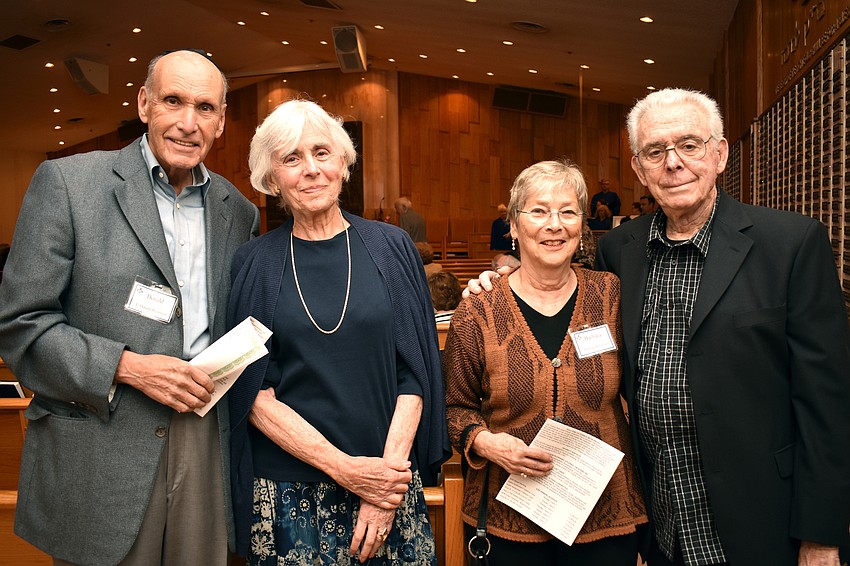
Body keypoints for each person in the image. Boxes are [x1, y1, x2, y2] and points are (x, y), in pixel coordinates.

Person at [467, 88, 850, 566]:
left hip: (761, 517)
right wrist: (496, 281)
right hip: (663, 521)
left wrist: (821, 535)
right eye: (655, 151)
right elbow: (550, 276)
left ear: (720, 153)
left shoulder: (790, 244)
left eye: (689, 145)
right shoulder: (620, 252)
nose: (673, 163)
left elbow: (827, 405)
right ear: (638, 167)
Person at [0, 49, 260, 565]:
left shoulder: (240, 212)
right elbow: (20, 323)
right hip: (103, 434)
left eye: (205, 108)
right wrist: (127, 367)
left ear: (222, 121)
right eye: (173, 101)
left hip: (206, 437)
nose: (188, 123)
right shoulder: (69, 185)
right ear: (144, 103)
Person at [227, 99, 452, 565]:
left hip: (387, 482)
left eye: (321, 153)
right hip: (290, 493)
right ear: (272, 180)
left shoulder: (391, 247)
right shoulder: (254, 264)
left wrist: (383, 483)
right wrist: (347, 471)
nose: (310, 169)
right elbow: (251, 393)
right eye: (291, 159)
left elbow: (416, 372)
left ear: (344, 163)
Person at [443, 159, 647, 566]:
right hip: (506, 523)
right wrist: (486, 443)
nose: (554, 224)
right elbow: (453, 407)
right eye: (538, 211)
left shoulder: (612, 295)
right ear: (514, 227)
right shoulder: (479, 310)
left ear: (581, 227)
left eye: (568, 211)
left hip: (605, 520)